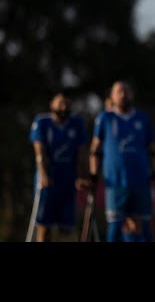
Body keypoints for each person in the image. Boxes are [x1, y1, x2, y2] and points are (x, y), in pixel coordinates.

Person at [89, 80, 155, 242]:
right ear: (112, 96)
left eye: (126, 91)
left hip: (140, 181)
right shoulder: (104, 118)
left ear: (132, 95)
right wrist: (93, 173)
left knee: (142, 228)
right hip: (115, 183)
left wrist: (154, 171)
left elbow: (152, 148)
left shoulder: (142, 119)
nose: (123, 94)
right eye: (119, 91)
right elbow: (95, 149)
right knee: (115, 228)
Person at [28, 92, 91, 242]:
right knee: (44, 225)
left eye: (67, 103)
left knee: (67, 228)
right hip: (48, 183)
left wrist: (82, 176)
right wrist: (43, 175)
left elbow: (81, 153)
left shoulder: (77, 123)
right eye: (60, 102)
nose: (64, 106)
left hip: (67, 182)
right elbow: (39, 152)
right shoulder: (42, 123)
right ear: (52, 104)